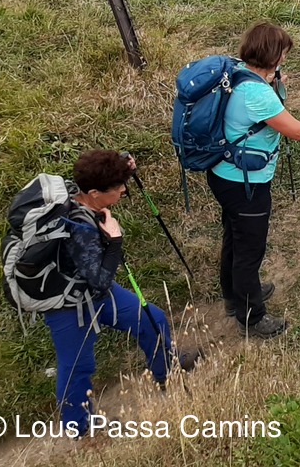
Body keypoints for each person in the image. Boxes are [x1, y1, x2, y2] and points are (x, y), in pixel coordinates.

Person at [208, 23, 300, 337]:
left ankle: (234, 297)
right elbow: (298, 131)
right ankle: (252, 318)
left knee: (234, 237)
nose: (285, 58)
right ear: (274, 56)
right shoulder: (257, 93)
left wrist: (275, 84)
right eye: (283, 52)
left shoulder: (238, 73)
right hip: (246, 185)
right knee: (249, 252)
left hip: (224, 175)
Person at [42, 150, 194, 436]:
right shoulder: (79, 228)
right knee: (77, 366)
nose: (123, 190)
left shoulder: (79, 191)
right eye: (118, 187)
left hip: (93, 290)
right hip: (68, 303)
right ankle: (80, 427)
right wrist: (114, 241)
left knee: (152, 320)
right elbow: (100, 281)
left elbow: (100, 173)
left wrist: (124, 166)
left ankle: (167, 371)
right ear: (95, 193)